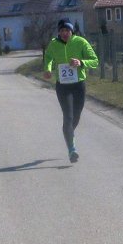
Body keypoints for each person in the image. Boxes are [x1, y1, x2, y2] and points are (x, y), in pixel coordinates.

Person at [43, 18, 99, 163]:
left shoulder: (80, 42)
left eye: (67, 30)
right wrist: (48, 69)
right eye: (62, 31)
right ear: (59, 32)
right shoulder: (54, 44)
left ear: (71, 31)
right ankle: (72, 149)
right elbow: (48, 57)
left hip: (78, 85)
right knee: (68, 116)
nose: (64, 33)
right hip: (63, 86)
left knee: (76, 116)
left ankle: (68, 132)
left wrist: (81, 62)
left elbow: (95, 60)